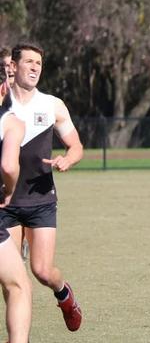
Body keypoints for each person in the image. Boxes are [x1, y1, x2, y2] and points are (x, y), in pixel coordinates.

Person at [0, 43, 84, 332]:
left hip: (40, 200)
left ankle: (65, 295)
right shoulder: (3, 103)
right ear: (13, 65)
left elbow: (76, 147)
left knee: (41, 271)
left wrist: (67, 160)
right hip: (5, 204)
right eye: (30, 62)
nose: (36, 67)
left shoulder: (52, 105)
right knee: (13, 280)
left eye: (39, 63)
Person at [0, 65, 31, 343]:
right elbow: (9, 166)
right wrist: (8, 192)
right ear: (3, 88)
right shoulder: (11, 122)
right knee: (18, 286)